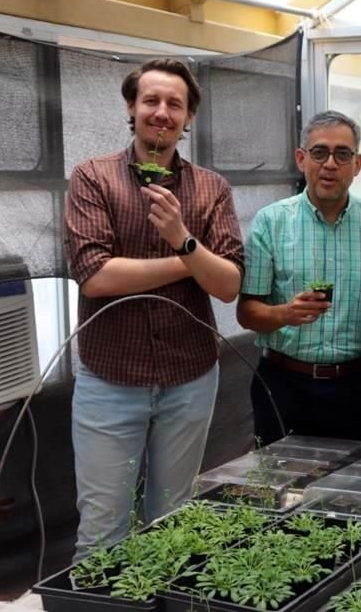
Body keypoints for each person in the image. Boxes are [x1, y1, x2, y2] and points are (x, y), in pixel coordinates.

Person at [64, 58, 244, 558]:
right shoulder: (93, 178)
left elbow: (228, 285)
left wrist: (181, 239)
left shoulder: (212, 189)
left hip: (188, 379)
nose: (161, 112)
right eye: (151, 101)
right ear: (131, 107)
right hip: (110, 379)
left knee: (171, 520)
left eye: (174, 104)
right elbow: (97, 276)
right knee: (102, 528)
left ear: (189, 118)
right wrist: (191, 259)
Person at [238, 110, 361, 451]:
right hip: (283, 382)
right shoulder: (271, 222)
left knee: (351, 491)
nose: (330, 163)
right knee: (279, 488)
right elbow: (247, 311)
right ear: (302, 159)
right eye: (319, 152)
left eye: (342, 154)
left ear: (357, 164)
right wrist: (286, 313)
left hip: (354, 385)